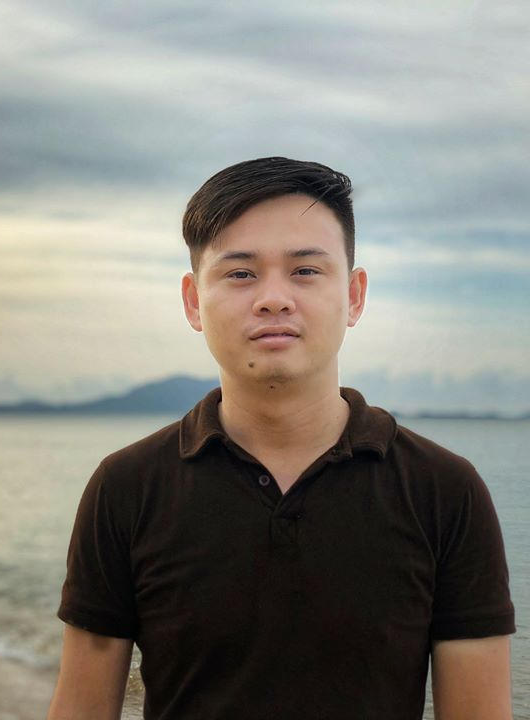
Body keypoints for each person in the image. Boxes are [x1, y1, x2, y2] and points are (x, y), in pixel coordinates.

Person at [46, 157, 515, 720]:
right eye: (241, 273)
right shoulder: (127, 487)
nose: (274, 298)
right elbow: (81, 707)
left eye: (306, 270)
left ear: (355, 295)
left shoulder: (444, 490)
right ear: (194, 301)